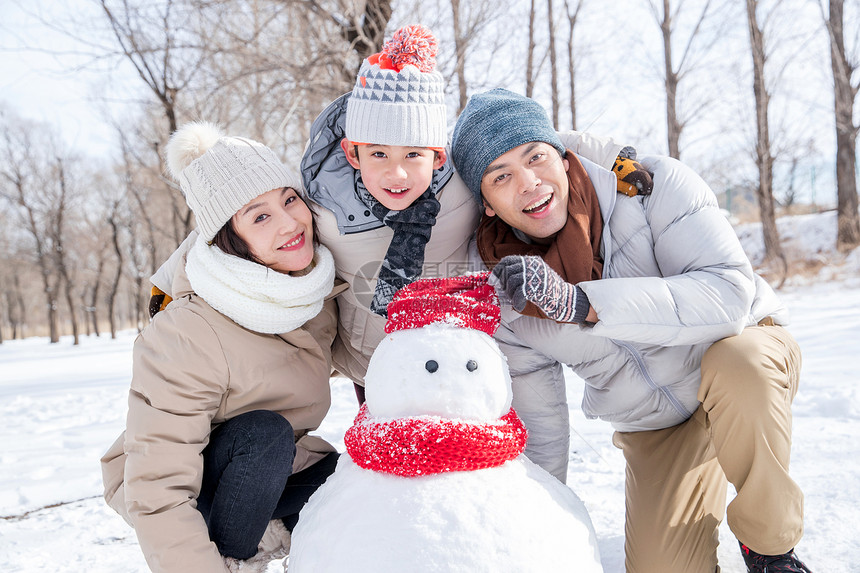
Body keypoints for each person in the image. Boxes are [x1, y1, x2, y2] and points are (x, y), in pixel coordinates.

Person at [450, 88, 811, 573]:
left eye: (535, 157)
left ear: (562, 155)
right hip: (659, 422)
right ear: (487, 204)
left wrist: (582, 304)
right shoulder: (506, 293)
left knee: (740, 364)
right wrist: (533, 523)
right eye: (501, 176)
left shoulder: (652, 187)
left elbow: (727, 296)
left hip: (742, 355)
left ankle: (770, 551)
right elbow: (542, 427)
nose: (529, 182)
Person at [299, 24, 636, 403]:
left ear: (437, 155)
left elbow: (530, 142)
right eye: (379, 154)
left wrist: (612, 156)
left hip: (462, 354)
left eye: (413, 154)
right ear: (352, 153)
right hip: (376, 365)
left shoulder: (458, 182)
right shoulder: (320, 206)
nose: (397, 173)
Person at [100, 122, 342, 573]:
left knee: (354, 482)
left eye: (289, 199)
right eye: (260, 216)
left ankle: (280, 544)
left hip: (267, 472)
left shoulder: (307, 291)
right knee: (263, 435)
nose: (291, 223)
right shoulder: (190, 330)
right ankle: (235, 562)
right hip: (183, 483)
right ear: (228, 240)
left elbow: (367, 359)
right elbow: (159, 489)